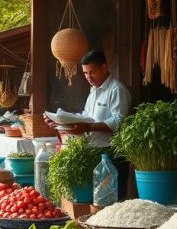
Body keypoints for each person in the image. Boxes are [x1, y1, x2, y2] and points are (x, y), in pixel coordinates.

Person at [43, 49, 132, 199]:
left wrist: (88, 127)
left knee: (111, 199)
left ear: (104, 68)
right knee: (96, 198)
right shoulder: (93, 90)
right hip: (93, 151)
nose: (88, 77)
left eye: (92, 72)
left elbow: (118, 121)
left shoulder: (116, 90)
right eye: (85, 73)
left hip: (111, 154)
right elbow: (86, 117)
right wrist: (60, 124)